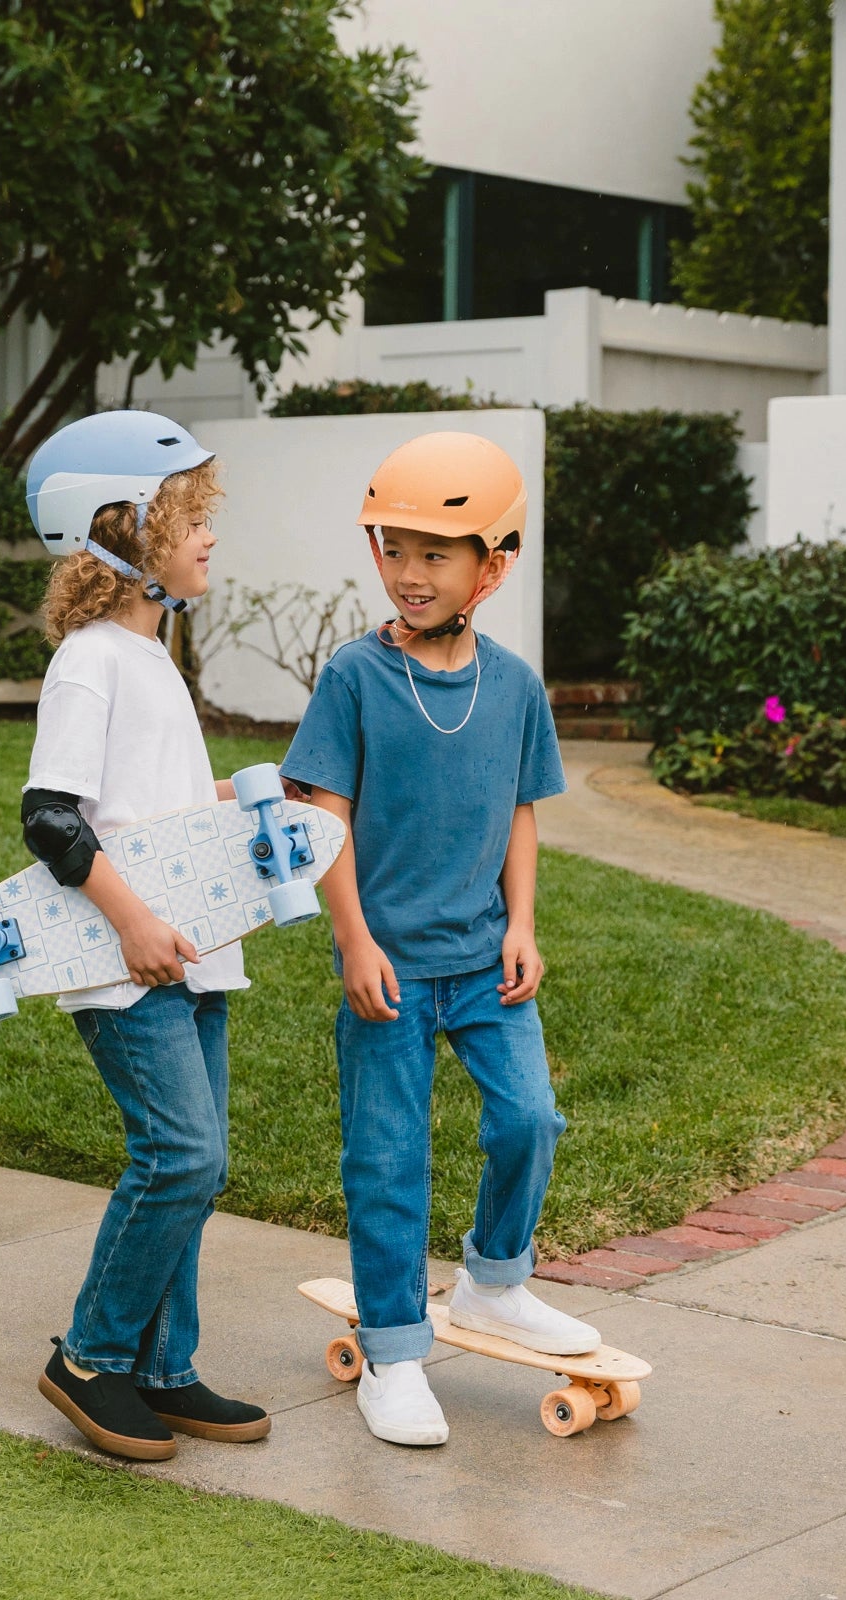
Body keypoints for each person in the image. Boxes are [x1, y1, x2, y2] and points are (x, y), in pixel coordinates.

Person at [280, 431, 596, 1448]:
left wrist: (525, 926)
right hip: (389, 970)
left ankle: (496, 1280)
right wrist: (354, 940)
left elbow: (518, 812)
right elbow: (322, 813)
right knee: (387, 1156)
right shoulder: (355, 678)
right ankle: (396, 1351)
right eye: (394, 549)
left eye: (435, 554)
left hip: (482, 962)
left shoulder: (514, 686)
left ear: (490, 568)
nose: (409, 574)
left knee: (531, 1120)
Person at [19, 410, 270, 1461]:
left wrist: (232, 795)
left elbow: (141, 802)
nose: (209, 534)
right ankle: (90, 1356)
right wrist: (129, 924)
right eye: (189, 516)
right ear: (122, 529)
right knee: (181, 1152)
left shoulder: (149, 655)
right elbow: (51, 816)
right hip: (129, 961)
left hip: (193, 951)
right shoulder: (92, 661)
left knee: (199, 1166)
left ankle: (165, 1371)